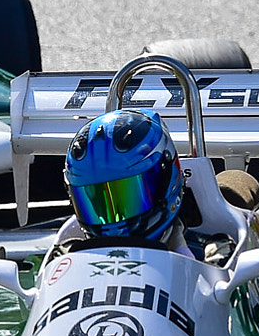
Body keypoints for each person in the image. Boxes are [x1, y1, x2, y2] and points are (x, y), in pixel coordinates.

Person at [60, 107, 190, 254]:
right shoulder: (64, 250)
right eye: (98, 205)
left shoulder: (209, 254)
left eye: (130, 197)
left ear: (166, 178)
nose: (115, 227)